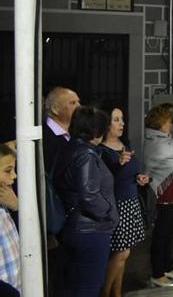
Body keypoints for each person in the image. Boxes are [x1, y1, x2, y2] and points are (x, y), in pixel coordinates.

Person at [55, 106, 118, 297]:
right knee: (88, 287)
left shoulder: (70, 148)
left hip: (75, 227)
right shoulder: (85, 155)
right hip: (90, 230)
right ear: (96, 131)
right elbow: (89, 196)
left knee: (76, 285)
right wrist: (108, 212)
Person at [97, 108, 148, 297]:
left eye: (122, 119)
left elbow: (131, 172)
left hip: (131, 200)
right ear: (106, 124)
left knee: (124, 253)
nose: (122, 123)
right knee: (120, 253)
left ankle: (117, 292)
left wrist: (139, 177)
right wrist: (118, 164)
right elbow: (104, 179)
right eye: (116, 120)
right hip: (117, 204)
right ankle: (105, 292)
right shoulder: (101, 150)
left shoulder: (124, 144)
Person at [42, 87, 80, 297]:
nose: (79, 107)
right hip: (56, 219)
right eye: (72, 103)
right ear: (56, 109)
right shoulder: (45, 139)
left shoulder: (71, 136)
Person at [142, 105, 173, 288]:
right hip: (163, 192)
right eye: (168, 121)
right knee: (161, 233)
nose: (170, 124)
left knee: (170, 231)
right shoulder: (154, 141)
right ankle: (157, 273)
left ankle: (167, 266)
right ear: (160, 123)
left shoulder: (167, 139)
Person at [0, 144, 20, 295]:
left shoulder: (5, 205)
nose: (14, 176)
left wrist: (17, 206)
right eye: (7, 171)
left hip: (16, 283)